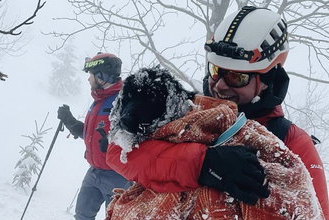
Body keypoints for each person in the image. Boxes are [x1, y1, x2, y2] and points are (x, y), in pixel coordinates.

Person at [106, 6, 329, 218]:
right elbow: (119, 151)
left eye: (237, 77)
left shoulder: (291, 141)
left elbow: (315, 213)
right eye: (215, 71)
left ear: (268, 81)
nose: (220, 85)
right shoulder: (189, 112)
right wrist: (201, 164)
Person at [57, 52, 131, 220]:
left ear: (101, 76)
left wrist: (113, 141)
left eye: (90, 75)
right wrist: (70, 121)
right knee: (82, 216)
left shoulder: (123, 101)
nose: (88, 79)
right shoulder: (98, 101)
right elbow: (93, 134)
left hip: (118, 177)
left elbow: (135, 137)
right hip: (94, 172)